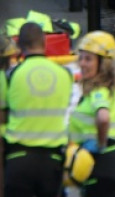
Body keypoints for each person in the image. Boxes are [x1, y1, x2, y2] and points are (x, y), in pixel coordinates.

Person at [2, 22, 72, 197]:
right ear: (44, 42)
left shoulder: (11, 76)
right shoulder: (65, 75)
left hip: (18, 160)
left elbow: (3, 117)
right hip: (53, 161)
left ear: (19, 46)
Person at [69, 31, 115, 197]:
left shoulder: (99, 91)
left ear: (103, 63)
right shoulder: (111, 89)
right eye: (81, 58)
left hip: (100, 163)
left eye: (89, 59)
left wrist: (99, 143)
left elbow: (103, 117)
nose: (82, 63)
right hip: (112, 162)